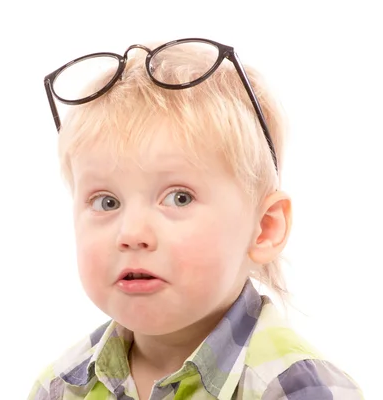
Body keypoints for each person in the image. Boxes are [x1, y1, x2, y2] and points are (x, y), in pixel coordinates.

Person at [28, 38, 363, 399]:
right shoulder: (62, 386)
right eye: (107, 202)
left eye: (178, 197)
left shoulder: (294, 388)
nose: (131, 233)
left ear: (264, 228)